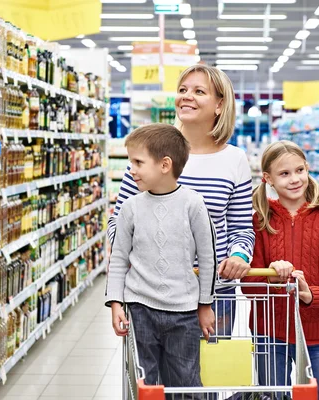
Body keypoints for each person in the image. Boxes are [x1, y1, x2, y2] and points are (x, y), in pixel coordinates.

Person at [107, 64, 254, 336]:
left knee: (212, 375)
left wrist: (238, 255)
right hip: (154, 294)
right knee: (157, 379)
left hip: (215, 294)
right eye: (183, 90)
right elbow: (117, 222)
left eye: (199, 91)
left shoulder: (235, 160)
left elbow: (241, 229)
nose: (187, 96)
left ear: (220, 105)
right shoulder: (153, 151)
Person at [105, 123, 217, 389]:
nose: (131, 170)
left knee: (186, 382)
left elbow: (208, 257)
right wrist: (116, 303)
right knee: (144, 383)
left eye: (138, 162)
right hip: (140, 308)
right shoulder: (130, 208)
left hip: (184, 312)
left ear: (164, 165)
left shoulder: (193, 204)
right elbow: (119, 258)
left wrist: (205, 304)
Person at [241, 141, 319, 400]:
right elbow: (248, 285)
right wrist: (269, 273)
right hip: (269, 333)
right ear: (268, 179)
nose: (294, 179)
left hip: (315, 335)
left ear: (308, 169)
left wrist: (310, 294)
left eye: (299, 170)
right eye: (284, 174)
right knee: (273, 397)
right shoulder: (259, 220)